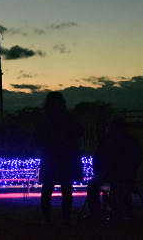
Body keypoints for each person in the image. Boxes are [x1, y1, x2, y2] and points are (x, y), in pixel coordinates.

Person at [36, 92, 83, 225]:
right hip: (67, 157)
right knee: (66, 189)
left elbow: (38, 138)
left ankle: (46, 217)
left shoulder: (46, 119)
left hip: (51, 157)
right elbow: (79, 132)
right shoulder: (68, 118)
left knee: (48, 188)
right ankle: (65, 217)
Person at [86, 115, 142, 221]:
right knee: (120, 187)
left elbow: (97, 157)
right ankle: (124, 212)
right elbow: (137, 159)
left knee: (92, 186)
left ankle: (95, 213)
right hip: (126, 176)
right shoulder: (131, 140)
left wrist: (98, 172)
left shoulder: (106, 139)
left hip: (109, 175)